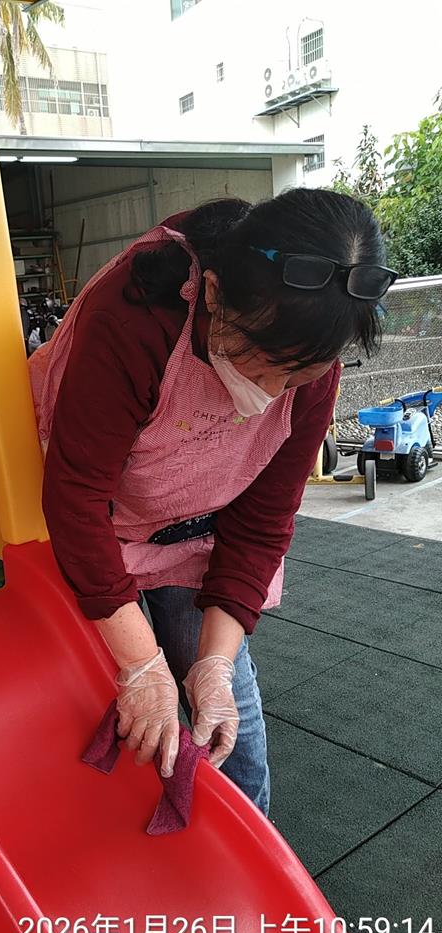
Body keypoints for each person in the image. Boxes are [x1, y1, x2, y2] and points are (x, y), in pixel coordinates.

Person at [28, 188, 396, 816]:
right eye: (264, 362)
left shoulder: (314, 360)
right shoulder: (134, 316)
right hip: (91, 529)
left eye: (301, 375)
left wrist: (214, 668)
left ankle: (250, 864)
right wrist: (142, 665)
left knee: (233, 736)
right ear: (216, 295)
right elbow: (76, 498)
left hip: (191, 533)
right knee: (94, 708)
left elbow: (261, 522)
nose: (273, 391)